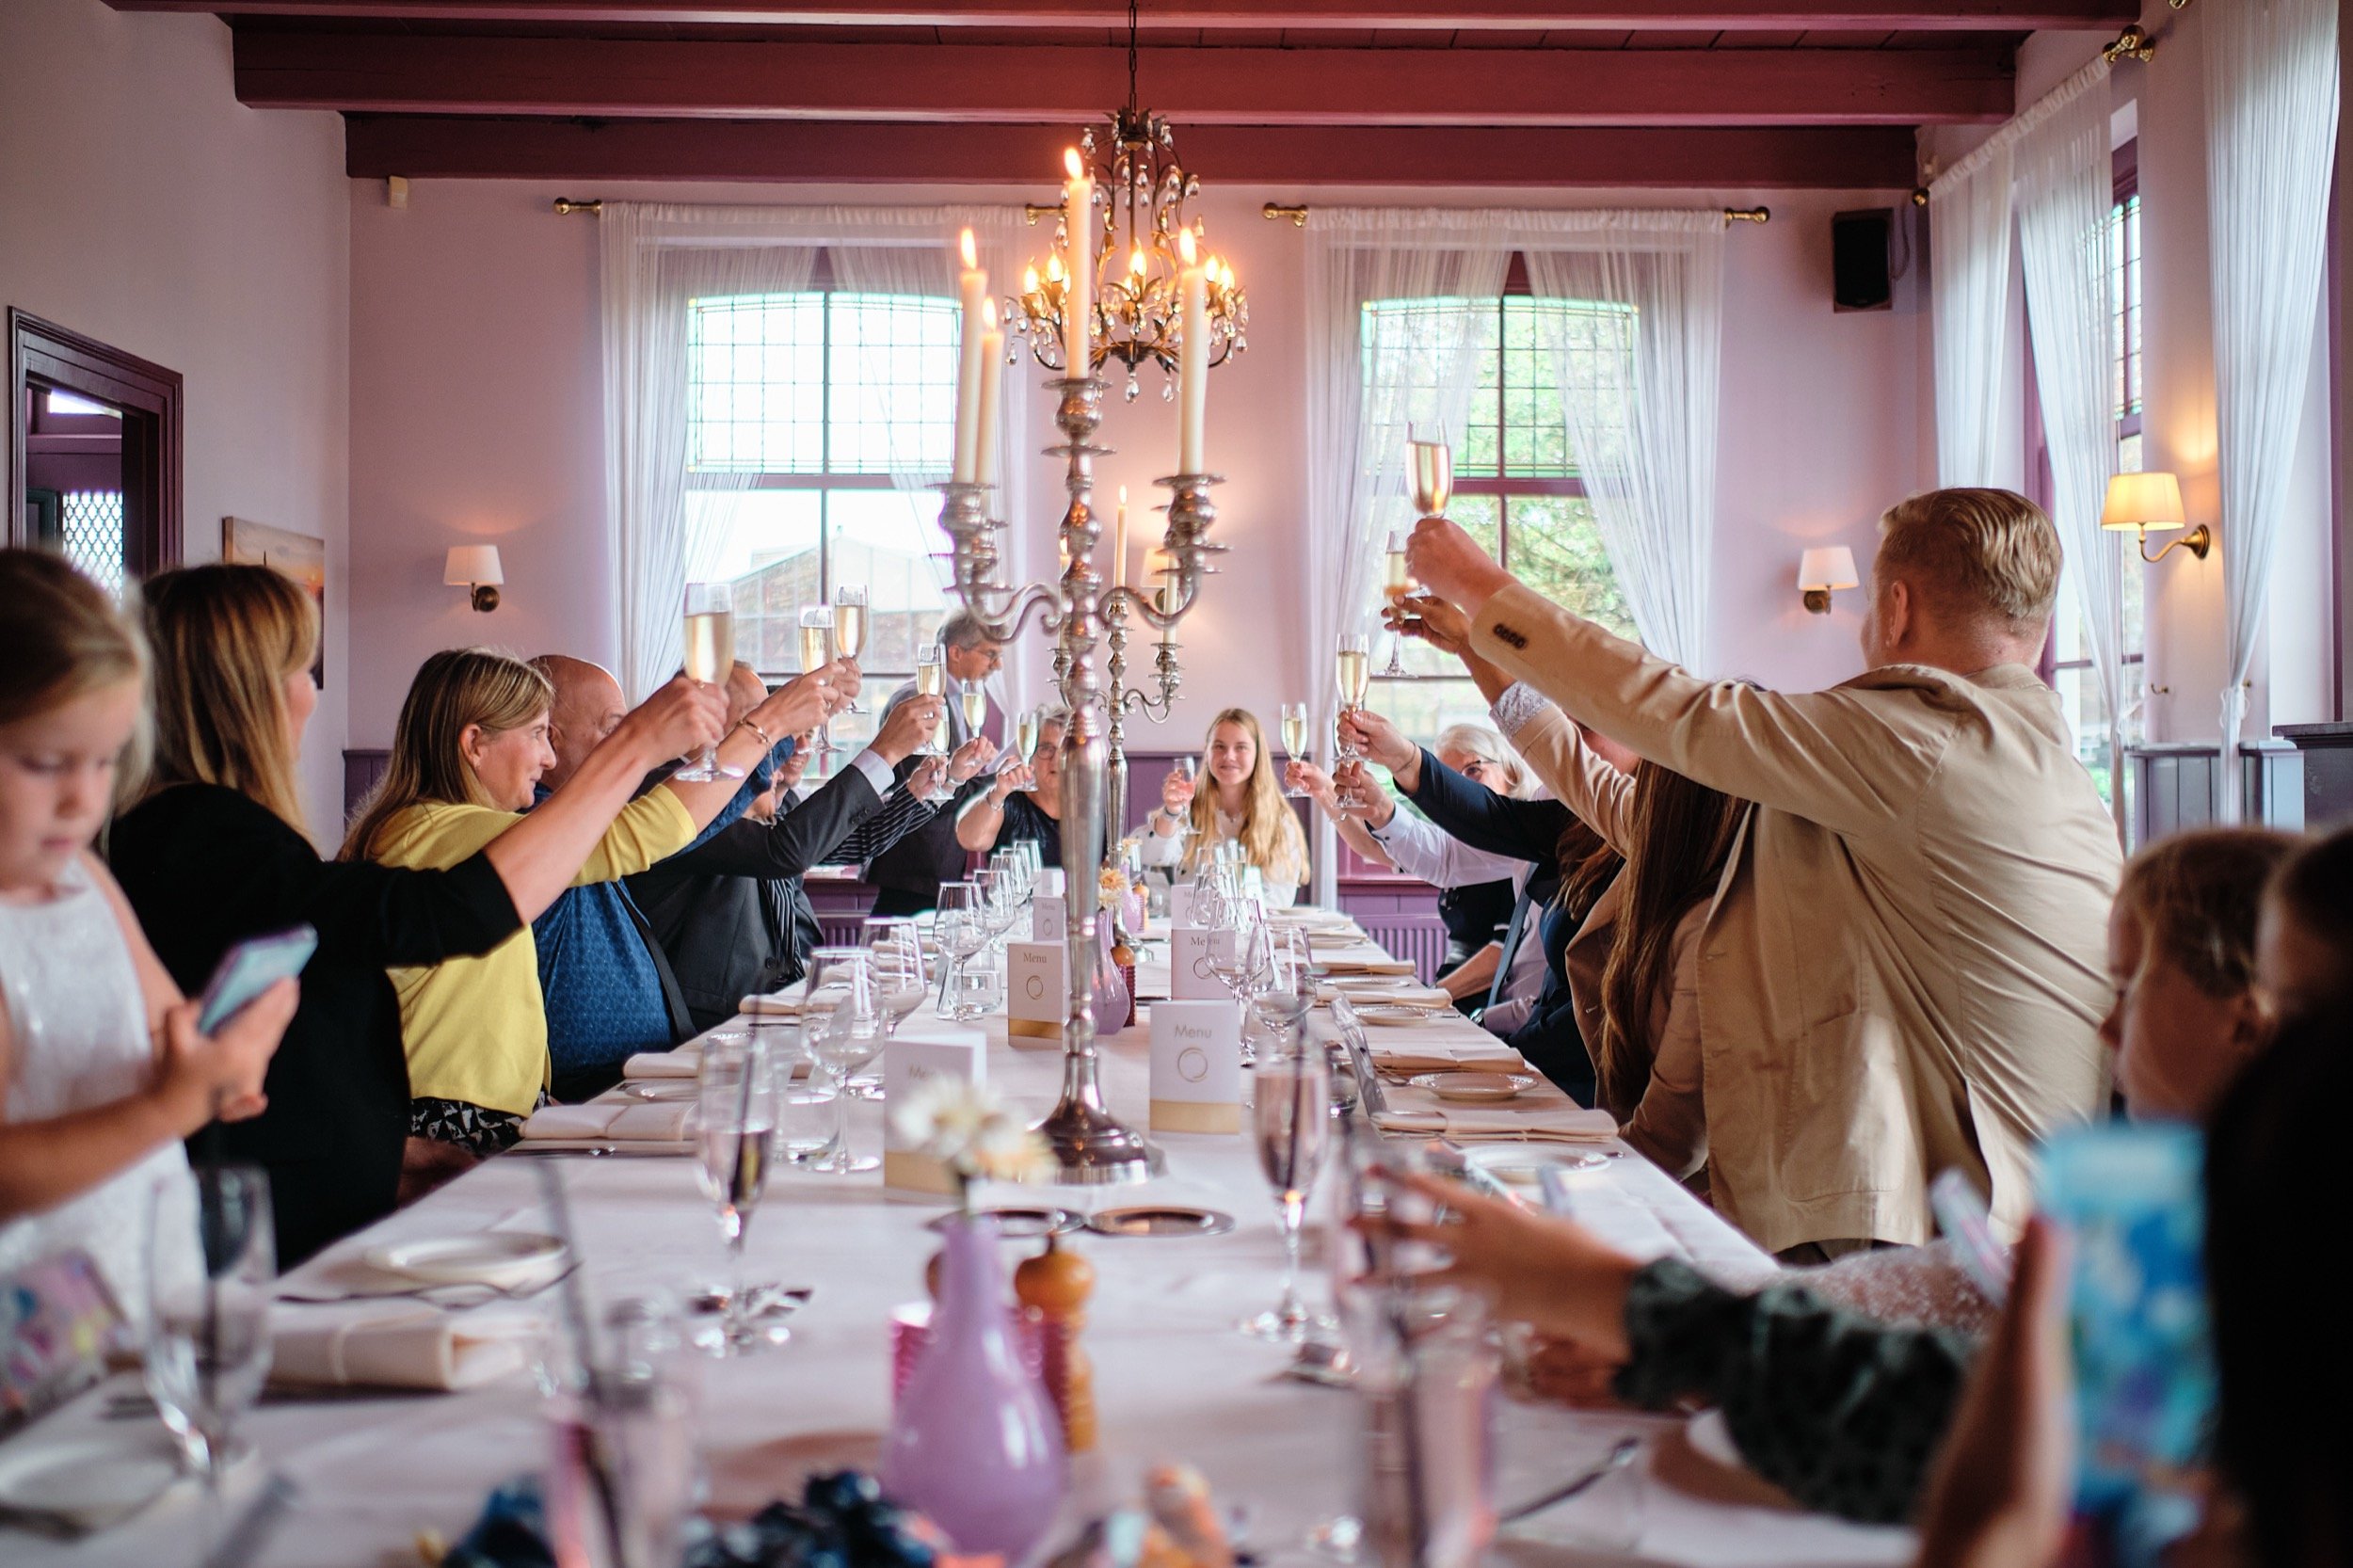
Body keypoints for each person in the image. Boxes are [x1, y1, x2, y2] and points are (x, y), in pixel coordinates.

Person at [1369, 825, 2297, 1528]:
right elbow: (1940, 1294)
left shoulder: (2257, 1256)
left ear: (2247, 1022)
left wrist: (1629, 1305)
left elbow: (1937, 1416)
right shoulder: (2181, 1200)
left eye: (2130, 988)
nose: (2103, 1025)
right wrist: (1677, 1339)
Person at [1404, 486, 2120, 1255]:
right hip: (2030, 1221)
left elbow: (1678, 712)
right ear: (2038, 629)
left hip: (1956, 1242)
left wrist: (1481, 587)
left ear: (1898, 608)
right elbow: (1622, 805)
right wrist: (1489, 659)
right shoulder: (2039, 769)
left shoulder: (1923, 740)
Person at [110, 567, 710, 1261]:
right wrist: (637, 747)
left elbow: (294, 1058)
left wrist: (390, 1149)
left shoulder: (200, 834)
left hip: (336, 1177)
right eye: (302, 669)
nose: (311, 693)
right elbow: (450, 915)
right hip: (262, 1228)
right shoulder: (206, 837)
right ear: (242, 694)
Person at [343, 648, 824, 1183]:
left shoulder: (443, 828)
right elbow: (644, 834)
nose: (548, 759)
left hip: (502, 1113)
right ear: (474, 744)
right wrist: (768, 726)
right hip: (455, 1127)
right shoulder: (441, 831)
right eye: (535, 735)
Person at [0, 551, 295, 1321]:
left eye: (103, 762)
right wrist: (175, 1107)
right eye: (44, 763)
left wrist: (227, 1053)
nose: (82, 799)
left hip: (144, 1291)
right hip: (33, 1340)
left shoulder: (86, 886)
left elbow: (168, 1028)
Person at [630, 663, 967, 1030]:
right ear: (705, 720)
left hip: (773, 1006)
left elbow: (851, 840)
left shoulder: (748, 789)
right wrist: (883, 752)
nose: (775, 741)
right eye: (758, 724)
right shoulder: (674, 789)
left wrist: (926, 790)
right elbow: (784, 850)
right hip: (712, 1024)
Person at [1326, 712, 1617, 1102]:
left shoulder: (1607, 811)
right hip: (1520, 1031)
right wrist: (1382, 807)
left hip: (1570, 1057)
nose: (1568, 738)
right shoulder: (1548, 799)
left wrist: (1456, 1012)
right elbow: (1449, 857)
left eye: (1474, 770)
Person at [864, 609, 1006, 917]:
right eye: (990, 654)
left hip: (931, 867)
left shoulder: (954, 701)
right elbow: (930, 787)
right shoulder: (919, 701)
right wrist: (1000, 780)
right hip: (915, 866)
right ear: (956, 652)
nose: (998, 665)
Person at [1140, 708, 1311, 908]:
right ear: (1207, 751)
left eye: (1241, 747)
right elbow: (1150, 857)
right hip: (1194, 933)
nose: (1229, 756)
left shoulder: (1279, 820)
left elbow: (1279, 900)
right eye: (1219, 746)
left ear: (1258, 754)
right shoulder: (1188, 811)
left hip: (1252, 934)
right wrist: (1171, 813)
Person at [954, 706, 1068, 868]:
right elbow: (970, 839)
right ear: (1031, 752)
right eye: (1046, 749)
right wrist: (998, 793)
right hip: (1014, 893)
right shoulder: (1012, 802)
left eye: (1065, 751)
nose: (1056, 760)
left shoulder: (1090, 811)